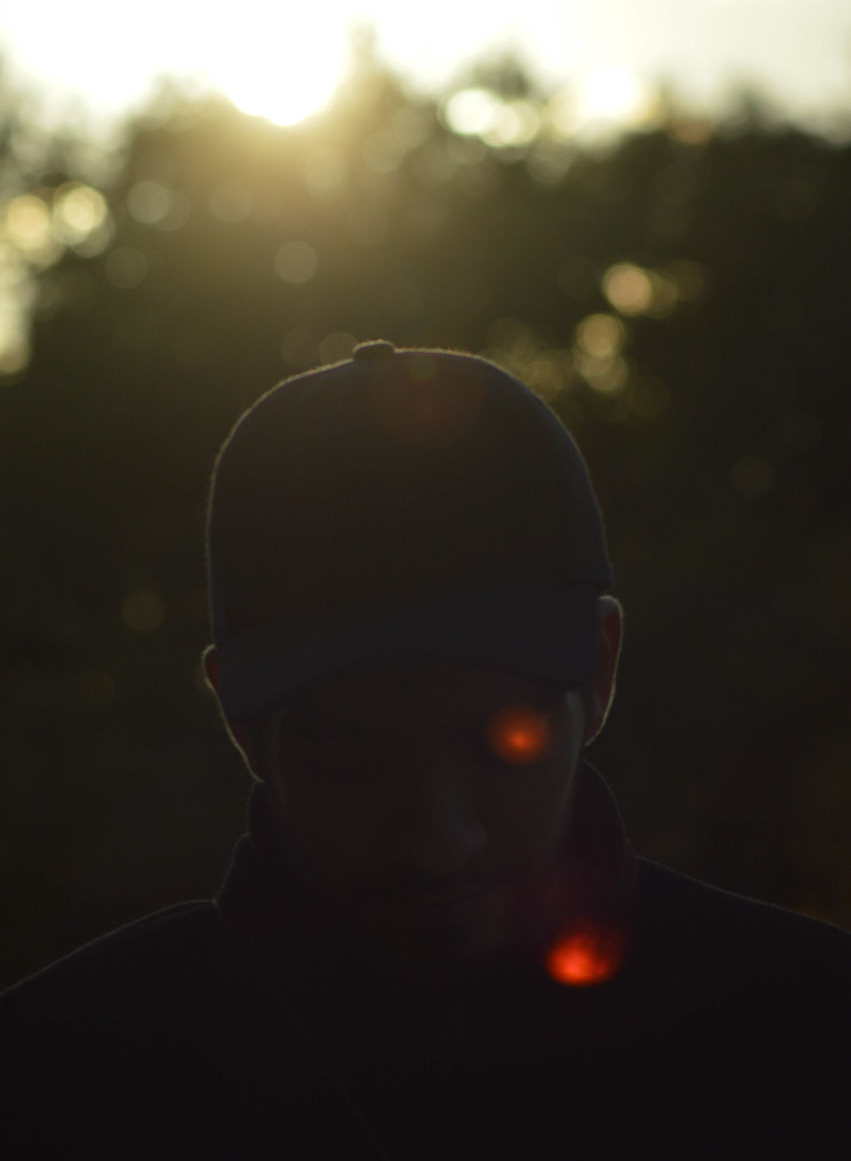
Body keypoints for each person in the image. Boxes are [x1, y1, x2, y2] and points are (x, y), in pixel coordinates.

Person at [2, 340, 848, 1158]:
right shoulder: (53, 1086)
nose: (436, 841)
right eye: (353, 759)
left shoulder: (809, 1037)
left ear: (599, 667)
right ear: (240, 717)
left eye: (498, 743)